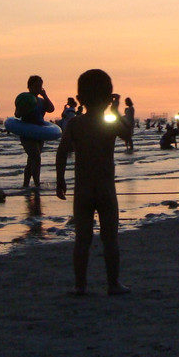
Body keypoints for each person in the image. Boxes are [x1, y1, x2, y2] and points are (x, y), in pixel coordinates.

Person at [55, 68, 132, 296]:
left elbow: (62, 153)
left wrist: (60, 179)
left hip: (83, 189)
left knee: (82, 240)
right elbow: (128, 135)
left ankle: (80, 285)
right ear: (109, 98)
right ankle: (113, 284)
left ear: (79, 99)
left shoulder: (75, 124)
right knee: (110, 239)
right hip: (106, 188)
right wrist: (116, 110)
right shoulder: (110, 123)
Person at [14, 75, 55, 189]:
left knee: (31, 160)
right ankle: (37, 184)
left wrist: (45, 95)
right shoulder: (25, 99)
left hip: (39, 134)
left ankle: (25, 185)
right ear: (30, 86)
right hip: (27, 134)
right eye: (36, 86)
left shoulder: (41, 101)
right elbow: (17, 114)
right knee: (36, 158)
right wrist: (23, 109)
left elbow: (51, 109)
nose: (39, 88)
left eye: (40, 86)